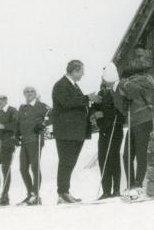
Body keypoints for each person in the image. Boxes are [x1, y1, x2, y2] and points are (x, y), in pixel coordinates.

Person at [52, 60, 98, 203]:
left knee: (69, 162)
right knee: (66, 162)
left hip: (75, 132)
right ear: (74, 70)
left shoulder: (73, 85)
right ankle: (62, 192)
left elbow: (76, 103)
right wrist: (86, 98)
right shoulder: (61, 85)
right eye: (81, 71)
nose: (83, 74)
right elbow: (67, 102)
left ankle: (65, 192)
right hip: (66, 133)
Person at [115, 51, 154, 199]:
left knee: (140, 154)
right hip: (133, 121)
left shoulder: (145, 80)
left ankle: (138, 185)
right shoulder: (131, 81)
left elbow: (140, 91)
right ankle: (130, 185)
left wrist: (124, 86)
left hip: (143, 120)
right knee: (127, 155)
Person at [92, 63, 125, 199]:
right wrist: (95, 113)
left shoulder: (118, 90)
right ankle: (106, 191)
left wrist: (107, 114)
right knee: (102, 158)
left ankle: (116, 190)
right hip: (103, 129)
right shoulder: (101, 92)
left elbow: (121, 109)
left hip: (115, 128)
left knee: (113, 157)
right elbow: (95, 107)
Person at [16, 86, 50, 205]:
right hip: (24, 141)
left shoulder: (41, 105)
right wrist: (16, 135)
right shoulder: (22, 107)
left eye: (31, 91)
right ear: (24, 94)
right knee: (23, 168)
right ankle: (30, 193)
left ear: (35, 93)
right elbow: (19, 122)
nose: (29, 93)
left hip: (35, 140)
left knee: (35, 167)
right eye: (27, 92)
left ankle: (35, 194)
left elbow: (53, 115)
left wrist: (43, 123)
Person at [0, 91, 20, 205]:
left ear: (6, 99)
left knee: (5, 170)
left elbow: (16, 125)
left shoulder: (12, 110)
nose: (0, 101)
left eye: (2, 99)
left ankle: (5, 196)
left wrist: (4, 126)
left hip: (7, 144)